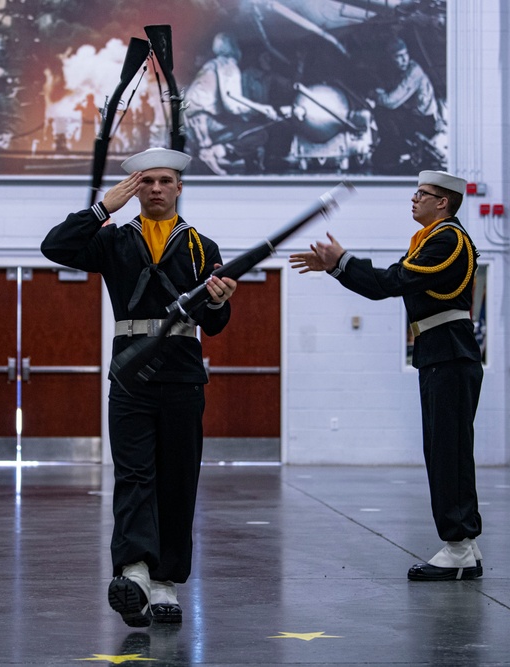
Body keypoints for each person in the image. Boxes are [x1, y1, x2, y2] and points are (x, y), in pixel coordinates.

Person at [40, 147, 237, 626]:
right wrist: (103, 207)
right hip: (130, 372)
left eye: (165, 181)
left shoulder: (201, 247)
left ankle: (165, 580)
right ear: (134, 187)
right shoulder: (114, 240)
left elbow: (215, 326)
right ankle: (134, 572)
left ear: (179, 188)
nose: (155, 189)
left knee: (177, 477)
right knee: (133, 473)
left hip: (183, 371)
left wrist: (221, 301)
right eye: (145, 181)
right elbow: (55, 247)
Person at [290, 170, 484, 581]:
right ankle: (464, 543)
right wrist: (338, 268)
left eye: (422, 194)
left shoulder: (449, 239)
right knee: (446, 448)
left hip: (449, 354)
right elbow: (389, 282)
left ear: (443, 202)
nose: (414, 199)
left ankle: (460, 546)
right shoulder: (431, 240)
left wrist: (342, 262)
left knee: (447, 449)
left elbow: (392, 282)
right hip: (441, 354)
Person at [185, 33, 279, 175]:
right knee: (259, 133)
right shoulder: (228, 64)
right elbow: (232, 102)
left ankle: (212, 152)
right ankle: (217, 152)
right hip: (204, 119)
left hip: (192, 121)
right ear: (234, 47)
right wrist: (262, 109)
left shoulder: (211, 65)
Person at [370, 38, 441, 172]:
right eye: (398, 56)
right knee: (378, 159)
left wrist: (375, 95)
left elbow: (391, 102)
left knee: (382, 112)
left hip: (424, 121)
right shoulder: (398, 72)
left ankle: (403, 149)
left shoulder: (414, 71)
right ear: (391, 59)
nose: (404, 59)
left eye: (405, 54)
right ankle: (396, 148)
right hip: (412, 116)